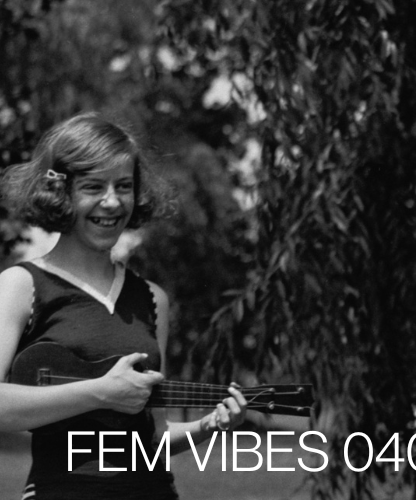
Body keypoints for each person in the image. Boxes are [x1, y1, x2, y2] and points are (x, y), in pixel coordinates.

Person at [0, 113, 247, 500]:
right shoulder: (20, 285)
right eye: (93, 186)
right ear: (59, 192)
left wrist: (208, 426)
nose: (112, 201)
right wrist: (100, 392)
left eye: (124, 186)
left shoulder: (152, 299)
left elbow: (153, 439)